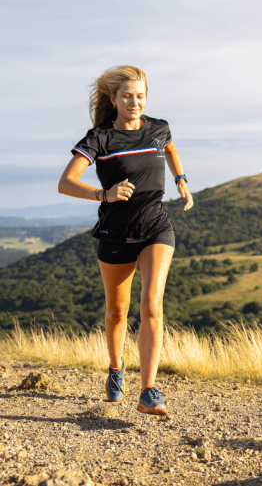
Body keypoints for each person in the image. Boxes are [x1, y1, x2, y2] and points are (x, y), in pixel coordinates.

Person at [58, 65, 193, 415]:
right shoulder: (100, 138)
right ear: (114, 100)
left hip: (156, 228)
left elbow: (171, 148)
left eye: (140, 96)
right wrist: (106, 194)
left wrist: (180, 178)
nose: (135, 102)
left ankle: (148, 389)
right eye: (128, 96)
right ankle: (116, 369)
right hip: (116, 234)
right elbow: (66, 183)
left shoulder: (158, 128)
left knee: (151, 305)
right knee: (117, 312)